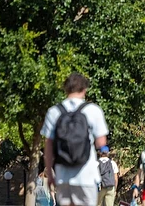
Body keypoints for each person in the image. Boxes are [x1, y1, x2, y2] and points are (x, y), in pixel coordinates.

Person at [41, 72, 110, 206]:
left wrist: (50, 173)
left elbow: (48, 146)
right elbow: (101, 142)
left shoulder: (54, 111)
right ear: (84, 89)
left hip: (63, 176)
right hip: (86, 175)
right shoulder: (93, 110)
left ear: (66, 89)